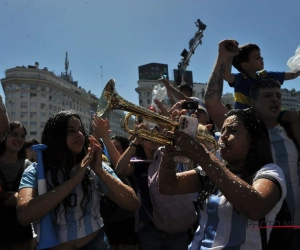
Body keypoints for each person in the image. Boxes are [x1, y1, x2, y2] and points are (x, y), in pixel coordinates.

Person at [204, 39, 300, 249]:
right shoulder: (242, 131)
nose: (275, 101)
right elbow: (211, 102)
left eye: (278, 96)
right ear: (253, 102)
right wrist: (223, 57)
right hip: (260, 233)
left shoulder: (291, 128)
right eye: (267, 96)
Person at [158, 108, 286, 249]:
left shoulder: (270, 171)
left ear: (253, 138)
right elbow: (168, 186)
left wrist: (204, 157)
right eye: (223, 130)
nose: (223, 136)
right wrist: (169, 152)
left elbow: (255, 207)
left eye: (233, 131)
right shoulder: (213, 170)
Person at [16, 110, 139, 250]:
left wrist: (99, 170)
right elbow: (24, 215)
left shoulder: (94, 166)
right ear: (56, 136)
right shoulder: (35, 171)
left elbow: (132, 203)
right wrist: (74, 181)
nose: (79, 134)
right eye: (71, 130)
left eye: (80, 130)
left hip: (96, 243)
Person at [115, 123, 190, 250]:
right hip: (150, 225)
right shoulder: (136, 163)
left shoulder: (168, 155)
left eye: (156, 135)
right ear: (142, 142)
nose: (153, 138)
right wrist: (135, 141)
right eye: (148, 136)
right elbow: (120, 170)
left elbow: (187, 156)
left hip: (175, 222)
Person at [223, 41, 300, 110]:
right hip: (244, 118)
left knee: (292, 115)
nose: (262, 58)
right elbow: (226, 76)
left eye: (260, 56)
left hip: (266, 115)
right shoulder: (241, 79)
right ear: (245, 65)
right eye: (257, 57)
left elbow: (293, 75)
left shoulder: (265, 76)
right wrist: (229, 56)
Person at [0, 121, 36, 250]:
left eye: (22, 136)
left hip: (22, 237)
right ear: (4, 136)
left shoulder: (28, 166)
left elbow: (36, 195)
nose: (19, 139)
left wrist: (20, 197)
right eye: (14, 134)